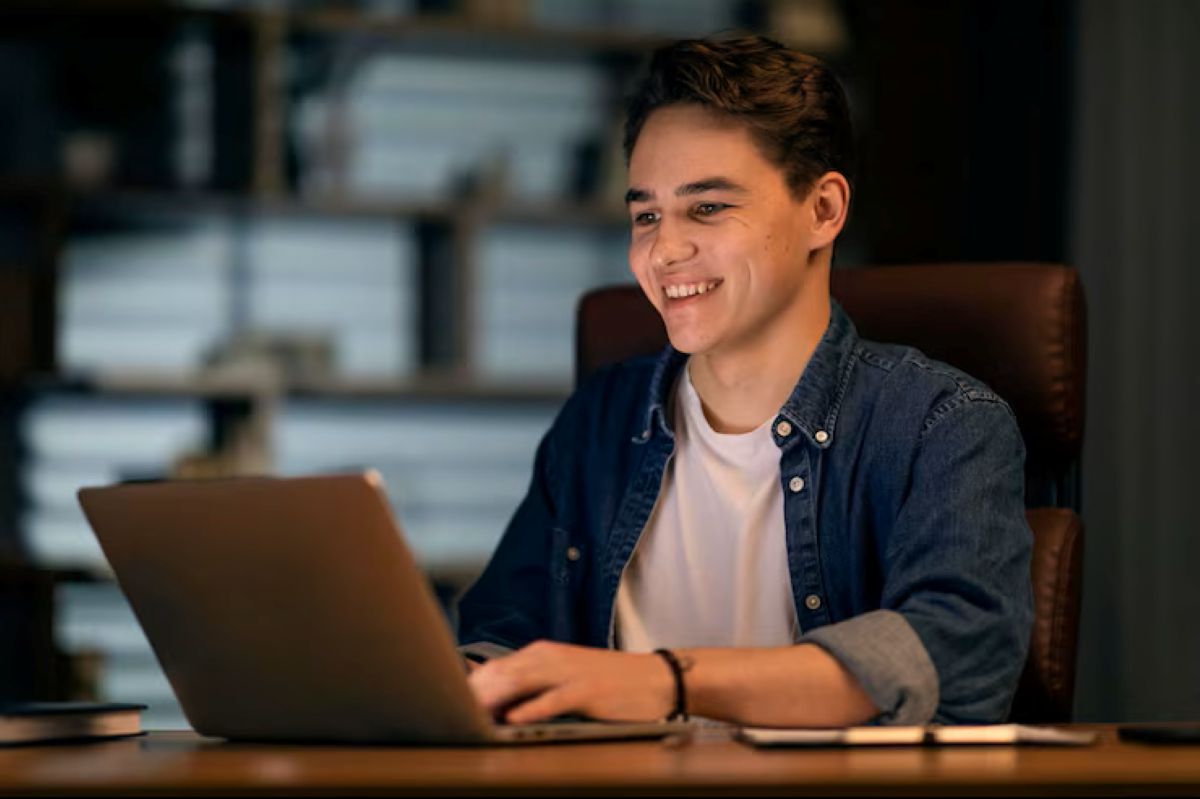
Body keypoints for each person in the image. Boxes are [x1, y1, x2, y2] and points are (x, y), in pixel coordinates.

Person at [457, 34, 1033, 727]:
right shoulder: (598, 422)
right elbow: (499, 643)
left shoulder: (943, 423)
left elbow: (951, 655)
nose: (664, 251)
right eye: (646, 215)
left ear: (823, 210)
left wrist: (667, 682)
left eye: (707, 207)